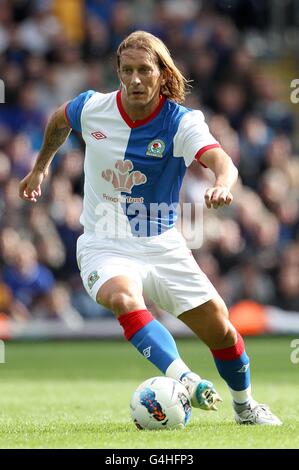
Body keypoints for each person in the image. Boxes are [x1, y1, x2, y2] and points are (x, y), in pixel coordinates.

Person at [19, 31, 281, 425]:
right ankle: (186, 380)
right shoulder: (93, 107)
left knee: (223, 332)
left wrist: (222, 184)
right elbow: (59, 120)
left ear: (162, 73)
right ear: (118, 73)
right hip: (103, 243)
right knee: (124, 298)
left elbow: (222, 161)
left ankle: (245, 408)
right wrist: (40, 168)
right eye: (127, 71)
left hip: (162, 245)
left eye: (145, 70)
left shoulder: (181, 121)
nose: (136, 79)